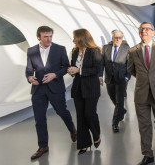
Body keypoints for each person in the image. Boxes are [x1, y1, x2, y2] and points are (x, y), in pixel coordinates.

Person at [26, 26, 76, 160]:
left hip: (55, 87)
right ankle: (43, 146)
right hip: (38, 90)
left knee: (62, 111)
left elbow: (66, 67)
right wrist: (30, 77)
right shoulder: (31, 51)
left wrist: (55, 74)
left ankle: (72, 129)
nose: (49, 39)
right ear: (38, 37)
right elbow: (29, 69)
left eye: (50, 36)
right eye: (45, 37)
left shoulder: (60, 49)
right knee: (39, 119)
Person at [127, 22, 155, 165]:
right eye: (142, 29)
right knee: (144, 125)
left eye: (148, 29)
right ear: (139, 32)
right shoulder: (133, 51)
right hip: (141, 93)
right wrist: (144, 79)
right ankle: (148, 154)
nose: (144, 31)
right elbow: (131, 69)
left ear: (153, 32)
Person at [67, 29, 102, 155]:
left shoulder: (95, 51)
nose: (73, 40)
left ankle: (96, 135)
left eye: (74, 38)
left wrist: (79, 71)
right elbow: (73, 66)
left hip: (91, 88)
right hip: (78, 88)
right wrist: (71, 70)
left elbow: (97, 69)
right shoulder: (75, 51)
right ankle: (84, 144)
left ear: (81, 38)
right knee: (80, 116)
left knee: (89, 114)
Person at [99, 30, 130, 133]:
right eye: (115, 37)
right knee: (112, 97)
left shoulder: (126, 49)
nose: (117, 39)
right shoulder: (106, 48)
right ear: (112, 38)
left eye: (120, 37)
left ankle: (115, 123)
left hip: (121, 79)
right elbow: (102, 63)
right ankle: (122, 111)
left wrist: (127, 77)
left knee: (119, 101)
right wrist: (100, 76)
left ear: (122, 38)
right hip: (109, 78)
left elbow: (129, 65)